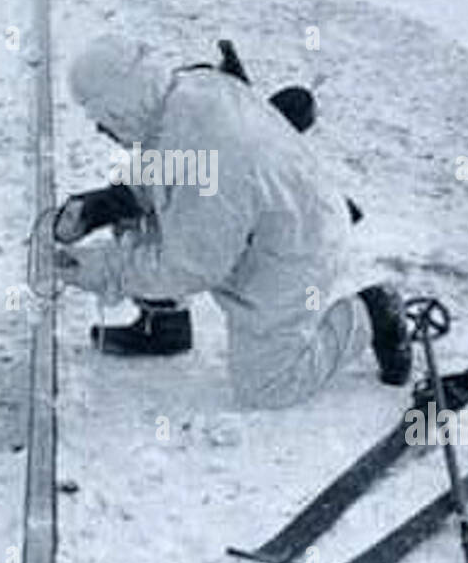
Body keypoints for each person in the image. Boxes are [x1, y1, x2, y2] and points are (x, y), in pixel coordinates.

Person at [53, 35, 411, 411]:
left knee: (266, 387)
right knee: (141, 213)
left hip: (298, 249)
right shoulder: (187, 93)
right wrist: (108, 203)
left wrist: (95, 269)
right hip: (279, 211)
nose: (98, 129)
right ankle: (164, 323)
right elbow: (170, 169)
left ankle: (370, 312)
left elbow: (190, 267)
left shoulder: (204, 156)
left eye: (99, 117)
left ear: (119, 106)